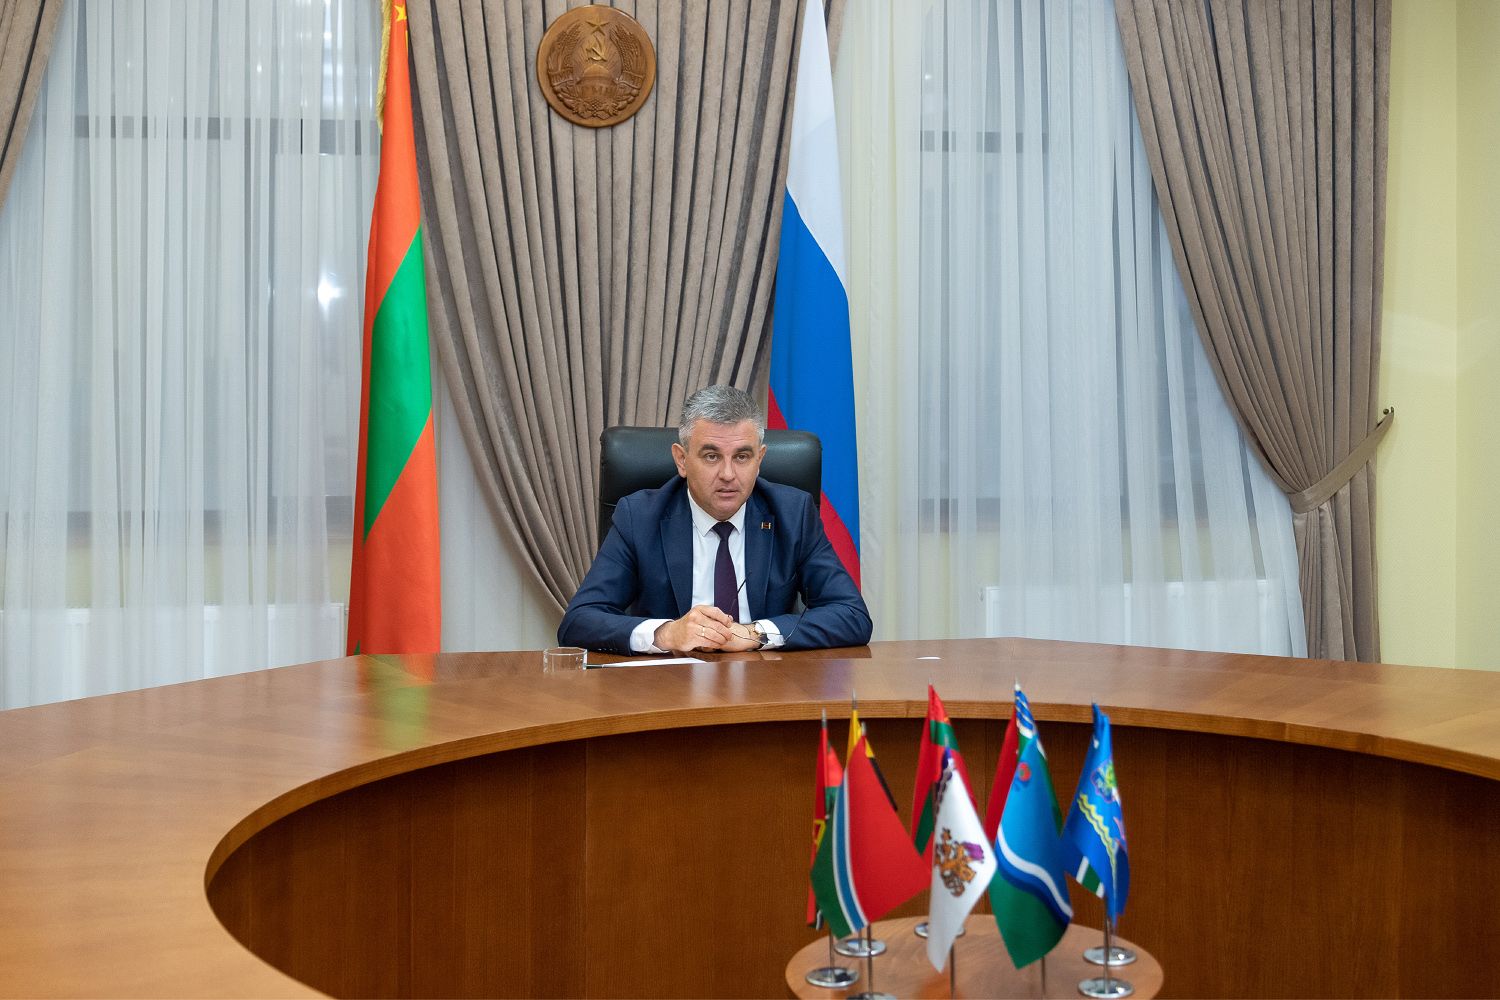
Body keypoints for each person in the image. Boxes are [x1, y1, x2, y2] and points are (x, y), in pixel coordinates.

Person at [558, 385, 872, 654]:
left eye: (742, 457)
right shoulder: (639, 517)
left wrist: (755, 634)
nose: (728, 474)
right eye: (711, 456)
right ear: (682, 459)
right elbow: (579, 621)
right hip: (667, 687)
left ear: (760, 459)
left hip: (767, 684)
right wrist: (667, 633)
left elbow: (851, 615)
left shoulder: (793, 513)